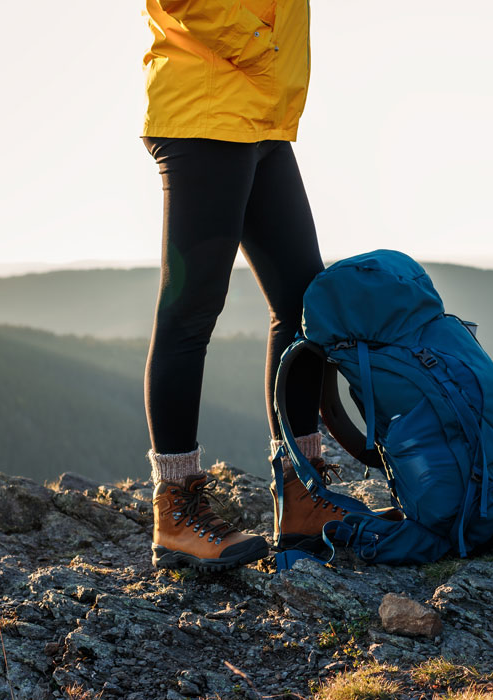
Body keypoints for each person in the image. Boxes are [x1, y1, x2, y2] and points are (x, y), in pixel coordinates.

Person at [140, 0, 346, 571]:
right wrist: (263, 49)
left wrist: (267, 63)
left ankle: (301, 495)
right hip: (207, 110)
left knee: (305, 304)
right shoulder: (244, 66)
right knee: (191, 311)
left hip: (260, 113)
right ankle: (175, 511)